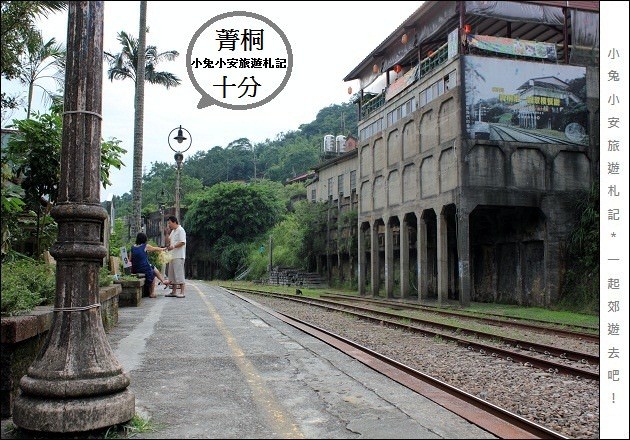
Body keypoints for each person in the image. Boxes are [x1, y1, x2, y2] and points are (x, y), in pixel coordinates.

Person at [130, 232, 166, 298]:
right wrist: (164, 249)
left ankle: (163, 281)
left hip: (135, 268)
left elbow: (130, 259)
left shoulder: (132, 247)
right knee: (152, 274)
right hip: (143, 268)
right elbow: (155, 249)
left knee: (153, 267)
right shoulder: (145, 246)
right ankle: (152, 293)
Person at [164, 215, 186, 298]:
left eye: (169, 223)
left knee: (179, 274)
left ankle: (182, 292)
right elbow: (168, 241)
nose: (169, 225)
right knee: (171, 274)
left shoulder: (181, 230)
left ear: (174, 222)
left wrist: (173, 246)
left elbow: (182, 242)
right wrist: (166, 232)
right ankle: (173, 291)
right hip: (172, 256)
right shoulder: (173, 231)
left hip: (179, 255)